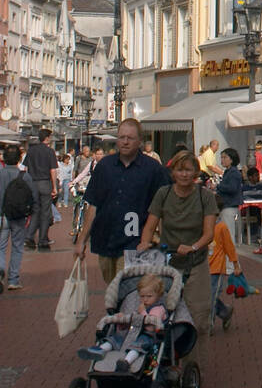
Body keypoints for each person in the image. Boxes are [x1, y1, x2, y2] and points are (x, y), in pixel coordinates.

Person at [137, 151, 218, 369]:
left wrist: (192, 247)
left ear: (195, 173)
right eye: (180, 169)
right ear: (173, 172)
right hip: (168, 262)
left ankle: (194, 370)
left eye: (188, 170)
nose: (184, 174)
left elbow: (209, 233)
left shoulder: (205, 196)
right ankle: (166, 363)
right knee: (164, 315)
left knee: (199, 319)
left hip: (196, 261)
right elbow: (150, 225)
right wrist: (145, 243)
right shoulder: (163, 194)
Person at [74, 120, 170, 283]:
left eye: (130, 138)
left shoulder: (153, 169)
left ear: (140, 140)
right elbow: (93, 204)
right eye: (122, 137)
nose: (125, 142)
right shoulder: (105, 166)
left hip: (135, 242)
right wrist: (82, 239)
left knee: (126, 290)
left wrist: (162, 240)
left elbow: (162, 208)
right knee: (111, 290)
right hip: (106, 239)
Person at [79, 274, 169, 370]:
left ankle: (126, 361)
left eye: (149, 296)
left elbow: (150, 326)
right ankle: (100, 350)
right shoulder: (139, 307)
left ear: (159, 295)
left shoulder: (158, 309)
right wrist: (122, 321)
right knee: (115, 338)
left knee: (139, 344)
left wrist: (142, 312)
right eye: (142, 296)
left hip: (148, 336)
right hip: (130, 334)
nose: (145, 299)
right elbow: (132, 324)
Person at [0, 145, 36, 292]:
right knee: (17, 247)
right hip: (19, 216)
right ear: (19, 159)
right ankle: (13, 280)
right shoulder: (25, 176)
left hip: (1, 216)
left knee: (1, 247)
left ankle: (0, 271)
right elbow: (33, 197)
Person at [23, 128, 58, 251]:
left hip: (33, 183)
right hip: (44, 183)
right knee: (45, 213)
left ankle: (29, 237)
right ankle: (43, 240)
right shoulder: (50, 151)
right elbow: (52, 170)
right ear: (47, 138)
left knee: (35, 211)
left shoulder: (31, 151)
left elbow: (26, 168)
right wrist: (54, 187)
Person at [208, 218, 236, 331]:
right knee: (206, 296)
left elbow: (229, 246)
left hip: (217, 268)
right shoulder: (201, 224)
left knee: (211, 296)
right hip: (204, 267)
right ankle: (224, 312)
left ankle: (209, 324)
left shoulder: (221, 227)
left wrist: (235, 264)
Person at [215, 148, 243, 242]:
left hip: (230, 206)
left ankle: (231, 255)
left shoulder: (234, 173)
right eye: (221, 157)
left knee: (228, 234)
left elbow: (232, 188)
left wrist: (218, 186)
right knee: (223, 234)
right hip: (224, 206)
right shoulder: (227, 172)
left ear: (231, 159)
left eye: (225, 157)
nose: (222, 160)